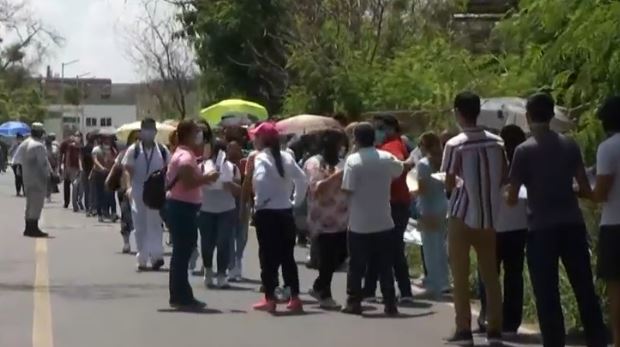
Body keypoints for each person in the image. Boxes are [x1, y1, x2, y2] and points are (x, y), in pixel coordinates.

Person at [505, 92, 607, 347]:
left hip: (540, 228)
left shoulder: (522, 151)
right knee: (583, 285)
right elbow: (583, 187)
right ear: (552, 116)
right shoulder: (569, 144)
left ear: (527, 117)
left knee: (546, 291)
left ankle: (554, 342)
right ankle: (597, 338)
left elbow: (512, 196)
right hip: (572, 224)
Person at [442, 92, 504, 345]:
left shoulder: (454, 145)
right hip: (489, 215)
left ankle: (464, 329)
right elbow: (504, 176)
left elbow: (448, 181)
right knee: (490, 274)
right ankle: (495, 329)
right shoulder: (497, 143)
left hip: (461, 213)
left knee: (460, 274)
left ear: (458, 112)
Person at [341, 122, 403, 316]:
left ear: (356, 139)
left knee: (356, 266)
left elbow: (347, 189)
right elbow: (399, 170)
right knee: (385, 265)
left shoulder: (353, 161)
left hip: (360, 223)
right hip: (384, 220)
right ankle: (390, 303)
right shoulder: (386, 158)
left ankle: (353, 302)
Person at [250, 122, 308, 313]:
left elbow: (259, 180)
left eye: (256, 137)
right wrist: (295, 201)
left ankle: (270, 297)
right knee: (287, 257)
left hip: (267, 213)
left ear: (262, 139)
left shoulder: (261, 158)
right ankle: (295, 297)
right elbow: (302, 179)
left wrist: (260, 202)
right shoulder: (286, 157)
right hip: (285, 212)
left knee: (268, 258)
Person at [478, 125, 528, 335]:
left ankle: (488, 316)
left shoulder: (495, 161)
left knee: (488, 274)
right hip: (519, 225)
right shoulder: (526, 160)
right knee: (514, 275)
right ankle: (511, 322)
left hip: (493, 224)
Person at [166, 120, 219, 309]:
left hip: (182, 207)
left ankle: (180, 294)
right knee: (182, 252)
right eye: (196, 132)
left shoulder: (186, 154)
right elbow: (188, 183)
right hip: (182, 208)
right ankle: (181, 296)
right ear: (188, 135)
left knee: (182, 252)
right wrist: (208, 178)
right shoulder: (185, 158)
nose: (199, 136)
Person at [365, 114, 414, 303]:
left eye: (380, 127)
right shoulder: (387, 145)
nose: (377, 131)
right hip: (392, 202)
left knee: (392, 248)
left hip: (394, 203)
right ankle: (370, 290)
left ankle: (404, 290)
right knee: (380, 248)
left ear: (391, 129)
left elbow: (399, 163)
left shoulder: (392, 146)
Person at [305, 129, 349, 310]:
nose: (341, 149)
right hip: (322, 218)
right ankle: (325, 293)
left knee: (339, 256)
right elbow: (317, 188)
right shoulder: (314, 163)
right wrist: (338, 175)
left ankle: (318, 287)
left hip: (341, 218)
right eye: (338, 144)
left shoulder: (339, 163)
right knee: (327, 259)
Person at [123, 119, 170, 271]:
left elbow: (169, 169)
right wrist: (129, 188)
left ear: (156, 132)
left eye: (151, 130)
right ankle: (142, 257)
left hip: (156, 191)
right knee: (140, 225)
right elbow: (127, 170)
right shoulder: (134, 150)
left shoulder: (162, 150)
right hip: (138, 190)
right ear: (141, 132)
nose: (149, 133)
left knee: (156, 224)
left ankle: (157, 256)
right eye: (146, 130)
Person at [592, 96, 620, 347]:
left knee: (616, 287)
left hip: (614, 225)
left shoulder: (608, 148)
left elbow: (600, 193)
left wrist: (581, 191)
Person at [198, 140, 240, 288]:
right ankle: (208, 270)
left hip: (226, 210)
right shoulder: (203, 166)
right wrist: (208, 180)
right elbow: (197, 185)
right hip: (206, 210)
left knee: (223, 242)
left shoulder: (233, 168)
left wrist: (228, 184)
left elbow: (237, 191)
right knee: (207, 243)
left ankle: (222, 274)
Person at [413, 131, 450, 300]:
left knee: (429, 247)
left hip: (427, 207)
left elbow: (422, 188)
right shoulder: (443, 161)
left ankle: (433, 282)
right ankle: (443, 281)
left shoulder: (423, 163)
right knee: (440, 245)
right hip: (442, 205)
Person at [20, 123, 51, 238]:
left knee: (29, 204)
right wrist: (49, 177)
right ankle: (33, 228)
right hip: (37, 179)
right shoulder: (38, 146)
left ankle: (28, 228)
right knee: (36, 204)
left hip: (27, 178)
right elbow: (43, 165)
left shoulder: (24, 143)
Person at [115, 130, 140, 253]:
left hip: (142, 190)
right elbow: (118, 168)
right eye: (135, 138)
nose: (138, 141)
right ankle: (126, 241)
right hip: (125, 189)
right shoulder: (124, 154)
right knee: (125, 214)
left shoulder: (149, 153)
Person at [226, 140, 247, 281]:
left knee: (242, 236)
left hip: (243, 203)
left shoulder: (245, 164)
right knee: (229, 236)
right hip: (228, 205)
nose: (234, 152)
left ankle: (238, 259)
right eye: (231, 149)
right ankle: (231, 265)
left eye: (237, 149)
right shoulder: (225, 166)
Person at [92, 135, 118, 222]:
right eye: (105, 140)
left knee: (111, 194)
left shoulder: (112, 150)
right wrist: (101, 167)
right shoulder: (96, 150)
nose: (107, 142)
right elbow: (95, 160)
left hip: (109, 174)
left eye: (109, 140)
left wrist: (112, 162)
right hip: (99, 174)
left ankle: (113, 213)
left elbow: (115, 161)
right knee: (100, 194)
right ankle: (100, 214)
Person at [60, 131, 82, 211]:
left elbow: (80, 158)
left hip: (76, 168)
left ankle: (75, 204)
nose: (77, 137)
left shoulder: (80, 146)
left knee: (75, 187)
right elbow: (66, 156)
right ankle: (70, 203)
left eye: (79, 136)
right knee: (70, 186)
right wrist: (65, 167)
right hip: (70, 168)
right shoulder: (69, 145)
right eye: (76, 136)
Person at [81, 133, 96, 216]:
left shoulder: (84, 148)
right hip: (90, 171)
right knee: (91, 191)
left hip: (87, 171)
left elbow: (82, 160)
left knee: (88, 191)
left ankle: (89, 209)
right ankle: (91, 208)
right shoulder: (93, 148)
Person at [45, 133, 61, 202]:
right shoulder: (43, 148)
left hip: (53, 166)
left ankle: (49, 194)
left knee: (51, 181)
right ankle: (47, 194)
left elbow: (57, 158)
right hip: (45, 167)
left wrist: (57, 167)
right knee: (47, 179)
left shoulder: (54, 148)